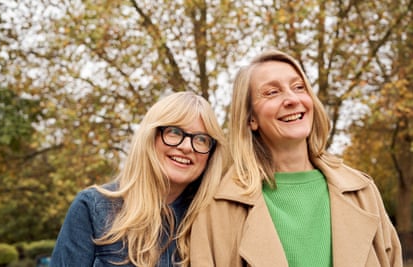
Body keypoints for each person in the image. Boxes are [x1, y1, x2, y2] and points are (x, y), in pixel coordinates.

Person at [190, 50, 403, 267]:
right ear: (251, 119)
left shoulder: (363, 192)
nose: (292, 99)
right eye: (272, 92)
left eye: (299, 87)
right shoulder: (216, 209)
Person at [50, 91, 228, 267]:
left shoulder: (214, 221)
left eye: (201, 139)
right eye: (174, 132)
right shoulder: (92, 208)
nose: (187, 146)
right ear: (150, 137)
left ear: (211, 154)